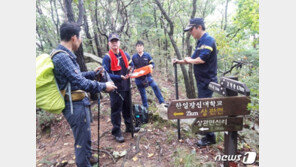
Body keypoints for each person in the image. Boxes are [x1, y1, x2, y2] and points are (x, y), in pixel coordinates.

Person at [51, 22, 117, 167]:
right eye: (80, 37)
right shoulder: (62, 57)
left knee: (86, 135)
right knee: (81, 139)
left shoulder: (65, 55)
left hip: (79, 103)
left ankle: (88, 157)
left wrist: (93, 74)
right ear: (74, 37)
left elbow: (76, 76)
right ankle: (83, 162)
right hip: (74, 106)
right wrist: (104, 86)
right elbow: (80, 82)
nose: (81, 41)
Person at [173, 18, 218, 147]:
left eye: (191, 29)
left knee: (204, 109)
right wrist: (179, 61)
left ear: (199, 27)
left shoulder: (208, 40)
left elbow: (201, 59)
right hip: (202, 81)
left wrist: (189, 60)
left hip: (208, 81)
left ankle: (210, 137)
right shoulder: (200, 42)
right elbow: (192, 59)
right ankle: (206, 133)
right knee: (203, 108)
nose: (190, 33)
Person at [102, 33, 140, 143]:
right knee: (116, 110)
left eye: (116, 41)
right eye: (112, 41)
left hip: (126, 86)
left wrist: (130, 69)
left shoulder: (125, 55)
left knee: (127, 108)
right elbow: (106, 74)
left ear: (119, 42)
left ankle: (129, 127)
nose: (114, 43)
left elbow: (131, 65)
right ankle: (117, 132)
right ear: (109, 43)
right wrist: (119, 77)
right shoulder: (107, 57)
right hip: (115, 88)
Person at [132, 40, 166, 109]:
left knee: (155, 86)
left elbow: (152, 63)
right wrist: (132, 71)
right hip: (138, 78)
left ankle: (162, 102)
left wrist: (151, 66)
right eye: (138, 46)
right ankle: (145, 108)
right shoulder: (134, 57)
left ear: (143, 47)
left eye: (140, 46)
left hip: (148, 76)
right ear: (136, 48)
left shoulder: (147, 55)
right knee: (143, 93)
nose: (139, 48)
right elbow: (132, 67)